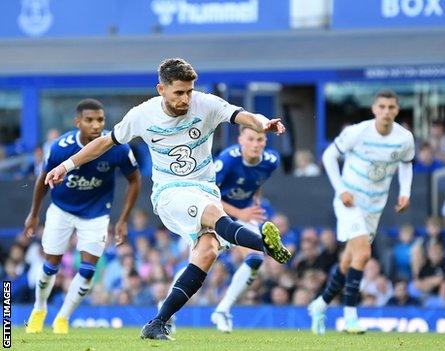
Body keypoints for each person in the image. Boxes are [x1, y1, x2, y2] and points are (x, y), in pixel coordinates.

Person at [44, 58, 292, 340]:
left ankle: (157, 323)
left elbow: (244, 116)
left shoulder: (206, 104)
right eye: (179, 92)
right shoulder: (143, 115)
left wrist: (263, 124)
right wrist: (66, 166)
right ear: (161, 89)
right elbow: (103, 143)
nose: (186, 98)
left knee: (207, 252)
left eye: (189, 91)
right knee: (213, 213)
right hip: (169, 192)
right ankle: (264, 244)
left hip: (204, 187)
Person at [24, 99, 141, 334]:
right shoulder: (60, 147)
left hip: (96, 213)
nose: (96, 125)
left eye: (100, 120)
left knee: (88, 271)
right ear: (78, 122)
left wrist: (123, 219)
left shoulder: (117, 146)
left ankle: (63, 318)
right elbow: (42, 180)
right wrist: (34, 214)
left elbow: (135, 180)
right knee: (50, 267)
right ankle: (39, 308)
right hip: (62, 210)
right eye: (89, 120)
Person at [308, 90, 415, 334]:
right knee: (364, 254)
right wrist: (341, 190)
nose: (386, 111)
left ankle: (320, 304)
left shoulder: (404, 138)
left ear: (397, 110)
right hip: (349, 202)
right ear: (374, 109)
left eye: (391, 107)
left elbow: (407, 164)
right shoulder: (358, 132)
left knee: (349, 260)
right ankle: (350, 316)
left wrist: (405, 191)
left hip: (374, 207)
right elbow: (329, 155)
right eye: (382, 107)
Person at [207, 125, 280, 332]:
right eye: (251, 139)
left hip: (242, 215)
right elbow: (209, 194)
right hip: (214, 214)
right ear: (240, 140)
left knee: (256, 258)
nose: (256, 144)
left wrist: (255, 201)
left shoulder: (271, 160)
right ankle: (166, 309)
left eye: (260, 140)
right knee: (199, 266)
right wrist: (241, 214)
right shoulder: (227, 160)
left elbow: (257, 180)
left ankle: (222, 310)